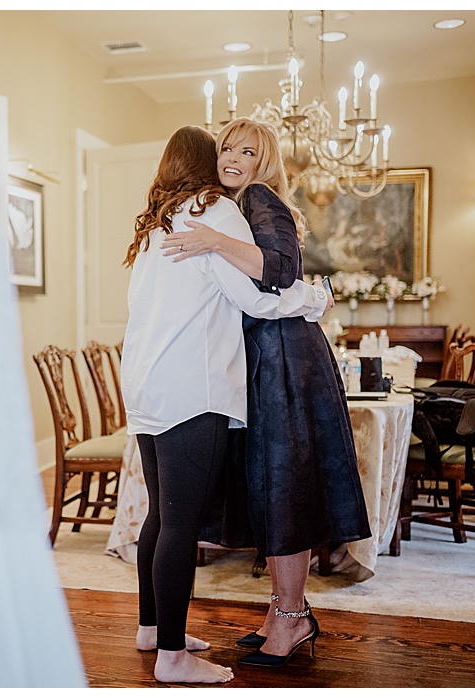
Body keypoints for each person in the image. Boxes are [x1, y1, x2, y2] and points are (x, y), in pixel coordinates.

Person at [121, 124, 332, 683]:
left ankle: (152, 627)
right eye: (222, 152)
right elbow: (256, 300)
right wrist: (315, 298)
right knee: (180, 525)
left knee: (162, 514)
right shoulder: (214, 209)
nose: (229, 162)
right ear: (205, 164)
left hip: (146, 383)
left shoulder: (156, 223)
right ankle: (172, 657)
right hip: (195, 386)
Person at [159, 117, 371, 668]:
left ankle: (292, 616)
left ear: (263, 162)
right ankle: (283, 610)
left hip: (285, 359)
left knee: (286, 486)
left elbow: (281, 270)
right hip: (267, 356)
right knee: (272, 488)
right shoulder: (232, 205)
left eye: (247, 151)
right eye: (227, 147)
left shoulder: (258, 197)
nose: (233, 157)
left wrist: (213, 240)